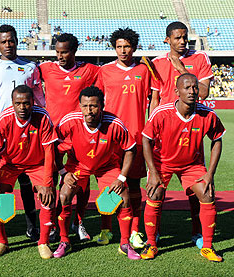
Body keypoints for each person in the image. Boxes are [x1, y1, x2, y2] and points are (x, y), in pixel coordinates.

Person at [0, 24, 45, 242]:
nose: (8, 45)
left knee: (26, 182)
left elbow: (40, 100)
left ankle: (33, 226)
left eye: (11, 40)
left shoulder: (31, 67)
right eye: (3, 41)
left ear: (17, 40)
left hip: (26, 133)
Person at [141, 73, 225, 262]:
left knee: (207, 193)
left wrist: (209, 174)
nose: (192, 91)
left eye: (195, 87)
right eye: (187, 88)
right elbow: (146, 139)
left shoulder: (207, 114)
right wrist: (153, 173)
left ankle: (207, 246)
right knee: (154, 194)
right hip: (163, 163)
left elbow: (217, 139)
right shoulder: (161, 113)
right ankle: (151, 243)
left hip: (192, 165)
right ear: (176, 91)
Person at [54, 86, 140, 260]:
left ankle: (125, 243)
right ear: (79, 105)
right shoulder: (70, 121)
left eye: (93, 106)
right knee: (64, 195)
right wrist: (63, 172)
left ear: (102, 105)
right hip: (78, 166)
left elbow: (131, 149)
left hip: (106, 166)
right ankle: (64, 241)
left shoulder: (114, 123)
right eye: (85, 106)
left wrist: (121, 177)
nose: (89, 110)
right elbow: (54, 148)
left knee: (123, 195)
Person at [150, 21, 213, 248]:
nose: (182, 41)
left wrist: (181, 68)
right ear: (167, 39)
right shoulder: (157, 63)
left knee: (197, 190)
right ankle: (154, 234)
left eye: (185, 37)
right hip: (163, 134)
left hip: (190, 132)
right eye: (177, 38)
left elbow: (203, 92)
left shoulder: (200, 59)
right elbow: (155, 99)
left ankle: (197, 232)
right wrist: (151, 127)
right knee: (156, 188)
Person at [39, 33, 100, 241]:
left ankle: (79, 222)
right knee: (53, 178)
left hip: (78, 134)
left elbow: (109, 74)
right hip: (51, 134)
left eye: (64, 52)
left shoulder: (89, 70)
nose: (60, 56)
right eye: (57, 52)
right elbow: (24, 70)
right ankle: (55, 221)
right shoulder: (45, 69)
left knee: (82, 179)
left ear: (74, 51)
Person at [95, 28, 151, 248]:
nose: (123, 50)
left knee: (134, 184)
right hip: (110, 137)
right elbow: (97, 101)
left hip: (136, 135)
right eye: (119, 46)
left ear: (134, 47)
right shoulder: (105, 71)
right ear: (114, 47)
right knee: (108, 183)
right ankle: (106, 228)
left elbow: (154, 98)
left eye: (127, 46)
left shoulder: (144, 71)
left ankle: (135, 231)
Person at [0, 85, 58, 259]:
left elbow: (49, 151)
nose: (22, 107)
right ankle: (1, 241)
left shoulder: (42, 117)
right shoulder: (5, 118)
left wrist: (48, 184)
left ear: (33, 102)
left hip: (37, 164)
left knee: (47, 196)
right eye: (18, 103)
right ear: (12, 103)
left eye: (26, 103)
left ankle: (43, 242)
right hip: (10, 164)